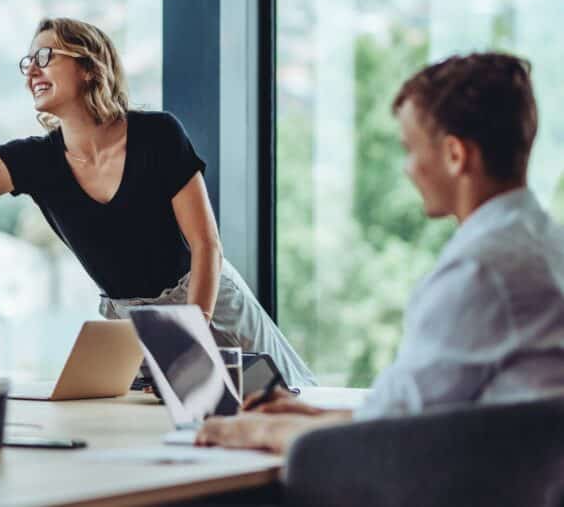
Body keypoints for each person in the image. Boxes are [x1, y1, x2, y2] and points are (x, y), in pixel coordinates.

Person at [0, 18, 315, 386]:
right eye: (28, 62)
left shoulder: (158, 134)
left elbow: (206, 246)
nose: (32, 70)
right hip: (130, 327)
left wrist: (189, 333)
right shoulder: (36, 160)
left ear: (88, 66)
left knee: (285, 406)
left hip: (207, 301)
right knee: (163, 441)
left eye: (46, 56)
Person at [195, 52, 564, 453]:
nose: (407, 168)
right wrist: (312, 416)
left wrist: (252, 431)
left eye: (411, 149)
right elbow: (410, 412)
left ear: (456, 155)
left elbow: (386, 437)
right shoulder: (542, 243)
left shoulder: (481, 269)